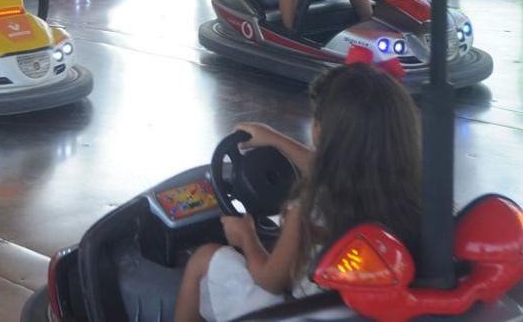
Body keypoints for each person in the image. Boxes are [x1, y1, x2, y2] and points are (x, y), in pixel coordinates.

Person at [172, 61, 420, 322]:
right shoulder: (410, 195)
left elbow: (270, 280)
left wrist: (246, 236)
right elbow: (334, 167)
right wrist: (276, 140)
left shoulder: (308, 209)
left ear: (319, 131)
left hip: (301, 313)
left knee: (204, 258)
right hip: (361, 311)